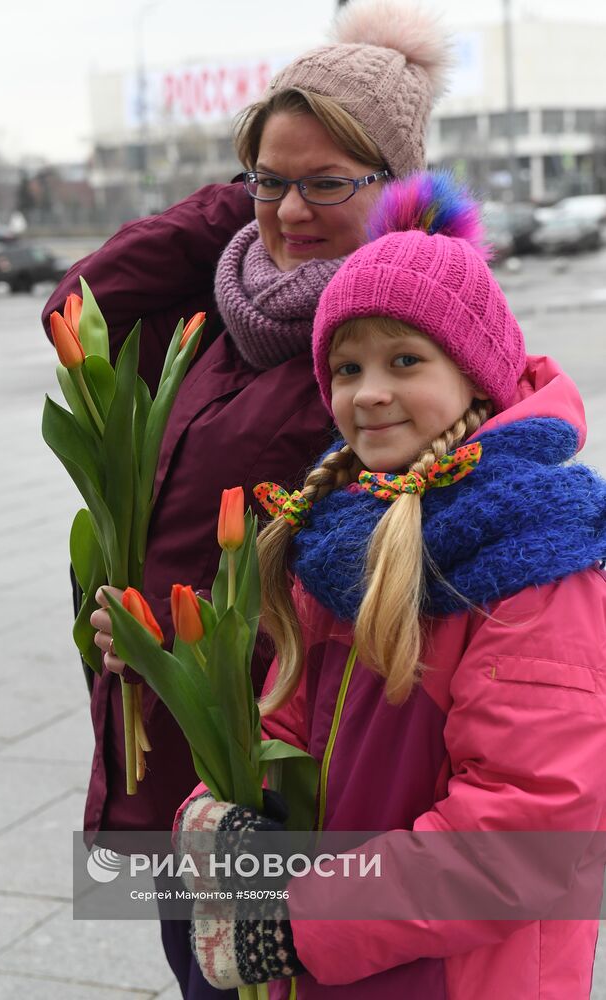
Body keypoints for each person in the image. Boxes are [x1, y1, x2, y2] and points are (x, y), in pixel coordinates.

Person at [41, 2, 453, 996]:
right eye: (269, 179)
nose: (291, 212)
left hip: (278, 763)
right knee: (200, 970)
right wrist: (256, 198)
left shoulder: (399, 333)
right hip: (177, 733)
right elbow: (77, 309)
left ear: (394, 186)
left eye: (326, 183)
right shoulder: (225, 310)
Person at [178, 171, 606, 998]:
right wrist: (221, 809)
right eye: (345, 368)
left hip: (457, 976)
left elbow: (526, 831)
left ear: (475, 372)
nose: (367, 394)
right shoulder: (340, 526)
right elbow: (285, 719)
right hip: (341, 966)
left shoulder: (537, 551)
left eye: (403, 360)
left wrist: (297, 919)